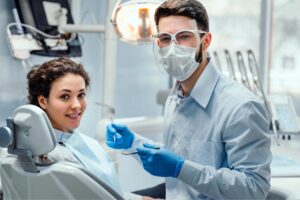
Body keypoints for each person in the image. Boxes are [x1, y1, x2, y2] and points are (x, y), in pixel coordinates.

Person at [106, 0, 272, 199]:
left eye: (184, 36)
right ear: (157, 42)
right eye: (165, 38)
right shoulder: (175, 98)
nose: (173, 47)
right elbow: (178, 158)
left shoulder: (241, 107)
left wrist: (180, 168)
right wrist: (133, 143)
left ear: (206, 41)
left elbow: (254, 188)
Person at [27, 57, 142, 200]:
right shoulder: (47, 156)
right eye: (65, 96)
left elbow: (108, 192)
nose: (77, 105)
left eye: (81, 95)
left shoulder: (78, 140)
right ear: (43, 101)